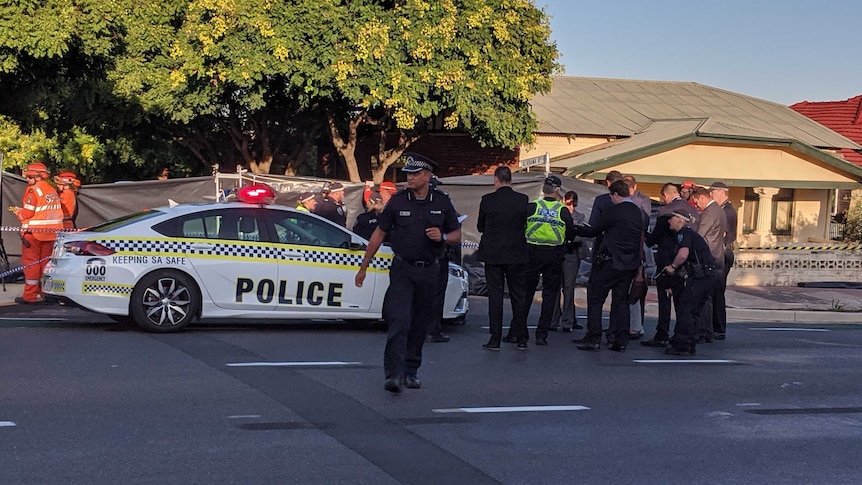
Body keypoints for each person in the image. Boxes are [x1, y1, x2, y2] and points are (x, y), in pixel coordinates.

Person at [355, 154, 460, 394]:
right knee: (399, 319)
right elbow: (380, 233)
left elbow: (457, 235)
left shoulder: (442, 202)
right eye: (408, 174)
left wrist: (442, 237)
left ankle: (411, 371)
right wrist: (364, 265)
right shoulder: (399, 201)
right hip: (403, 268)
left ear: (427, 176)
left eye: (414, 174)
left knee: (419, 323)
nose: (409, 178)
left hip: (429, 269)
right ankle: (393, 374)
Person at [573, 180, 644, 352]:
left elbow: (594, 230)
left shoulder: (613, 211)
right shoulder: (637, 212)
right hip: (629, 263)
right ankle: (620, 339)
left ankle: (593, 337)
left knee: (595, 297)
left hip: (610, 261)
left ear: (615, 195)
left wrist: (575, 228)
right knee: (621, 301)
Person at [477, 166, 531, 350]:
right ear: (511, 180)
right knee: (519, 296)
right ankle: (521, 337)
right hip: (516, 253)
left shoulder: (487, 200)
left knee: (495, 296)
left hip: (493, 254)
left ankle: (495, 339)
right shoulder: (522, 200)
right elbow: (524, 224)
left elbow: (480, 226)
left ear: (496, 180)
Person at [523, 175, 575, 346]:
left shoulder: (532, 206)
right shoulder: (563, 210)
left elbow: (521, 227)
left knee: (526, 294)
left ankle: (519, 332)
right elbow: (571, 233)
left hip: (532, 253)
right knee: (549, 295)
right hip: (554, 255)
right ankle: (541, 334)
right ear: (558, 191)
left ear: (544, 189)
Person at [660, 209, 718, 356]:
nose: (669, 221)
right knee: (693, 310)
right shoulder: (688, 234)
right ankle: (689, 342)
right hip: (707, 275)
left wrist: (672, 267)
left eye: (672, 218)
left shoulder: (684, 234)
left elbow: (683, 254)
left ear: (680, 219)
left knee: (686, 309)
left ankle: (683, 345)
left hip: (702, 276)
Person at [643, 183, 693, 348]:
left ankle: (662, 333)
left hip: (667, 260)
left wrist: (647, 239)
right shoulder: (691, 209)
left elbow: (656, 237)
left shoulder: (666, 212)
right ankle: (681, 333)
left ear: (665, 195)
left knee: (664, 300)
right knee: (681, 301)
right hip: (685, 260)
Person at [12, 162, 64, 304]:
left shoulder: (33, 190)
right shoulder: (51, 190)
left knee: (31, 265)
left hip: (33, 234)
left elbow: (27, 213)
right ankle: (45, 293)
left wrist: (18, 213)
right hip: (51, 233)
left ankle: (29, 296)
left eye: (29, 177)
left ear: (38, 177)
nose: (27, 180)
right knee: (45, 264)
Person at [692, 186, 728, 343]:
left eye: (696, 202)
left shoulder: (709, 212)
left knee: (704, 296)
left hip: (708, 257)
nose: (696, 206)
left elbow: (700, 235)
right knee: (714, 295)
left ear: (701, 197)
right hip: (718, 255)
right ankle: (712, 329)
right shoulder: (720, 210)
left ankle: (704, 330)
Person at [550, 190, 585, 333]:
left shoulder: (580, 216)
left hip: (571, 254)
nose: (571, 207)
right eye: (568, 203)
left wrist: (570, 233)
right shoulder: (557, 213)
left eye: (573, 204)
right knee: (555, 289)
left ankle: (568, 321)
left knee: (569, 289)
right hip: (558, 253)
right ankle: (553, 321)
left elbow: (581, 236)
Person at [708, 181, 737, 341]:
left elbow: (722, 234)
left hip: (723, 253)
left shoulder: (726, 211)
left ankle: (718, 327)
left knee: (717, 291)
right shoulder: (725, 209)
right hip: (723, 252)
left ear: (720, 192)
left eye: (712, 193)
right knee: (715, 291)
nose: (711, 197)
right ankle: (715, 325)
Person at [623, 175, 651, 340]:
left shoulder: (641, 202)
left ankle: (635, 326)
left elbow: (643, 227)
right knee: (631, 290)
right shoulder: (637, 206)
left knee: (636, 289)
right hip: (634, 251)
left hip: (636, 251)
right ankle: (632, 324)